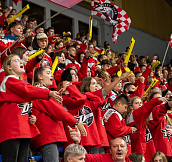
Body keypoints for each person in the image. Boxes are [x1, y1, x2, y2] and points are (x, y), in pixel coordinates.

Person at [0, 54, 62, 162]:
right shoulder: (8, 80)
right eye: (16, 60)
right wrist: (48, 92)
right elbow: (27, 90)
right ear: (9, 67)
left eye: (21, 60)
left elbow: (22, 105)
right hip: (11, 131)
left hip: (23, 130)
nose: (21, 62)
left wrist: (31, 118)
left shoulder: (21, 82)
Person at [31, 66, 86, 162]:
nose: (51, 75)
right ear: (40, 76)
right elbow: (57, 110)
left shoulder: (46, 92)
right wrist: (75, 122)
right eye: (48, 73)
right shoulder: (39, 91)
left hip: (51, 136)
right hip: (48, 136)